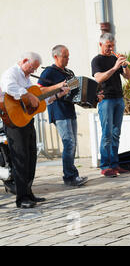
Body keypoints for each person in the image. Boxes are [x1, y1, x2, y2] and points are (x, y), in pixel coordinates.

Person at [0, 52, 70, 208]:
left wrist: (58, 95)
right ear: (24, 61)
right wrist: (26, 94)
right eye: (32, 67)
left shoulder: (26, 78)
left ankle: (28, 193)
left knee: (31, 158)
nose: (33, 71)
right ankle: (21, 198)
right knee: (20, 160)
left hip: (26, 121)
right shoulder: (11, 73)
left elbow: (40, 100)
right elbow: (8, 87)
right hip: (13, 122)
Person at [38, 45, 89, 187]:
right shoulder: (48, 72)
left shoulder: (68, 72)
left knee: (72, 144)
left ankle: (72, 174)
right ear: (56, 57)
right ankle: (69, 177)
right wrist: (59, 86)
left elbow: (75, 91)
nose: (68, 59)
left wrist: (92, 97)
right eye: (65, 56)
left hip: (70, 111)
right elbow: (40, 91)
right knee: (69, 143)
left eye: (68, 56)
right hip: (59, 112)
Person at [91, 33, 130, 177]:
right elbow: (99, 78)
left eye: (112, 45)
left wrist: (125, 66)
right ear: (100, 45)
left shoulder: (115, 59)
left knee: (116, 133)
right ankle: (105, 166)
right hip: (106, 99)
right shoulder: (97, 60)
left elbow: (128, 77)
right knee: (107, 134)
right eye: (108, 46)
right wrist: (115, 67)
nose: (111, 48)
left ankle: (115, 165)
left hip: (118, 98)